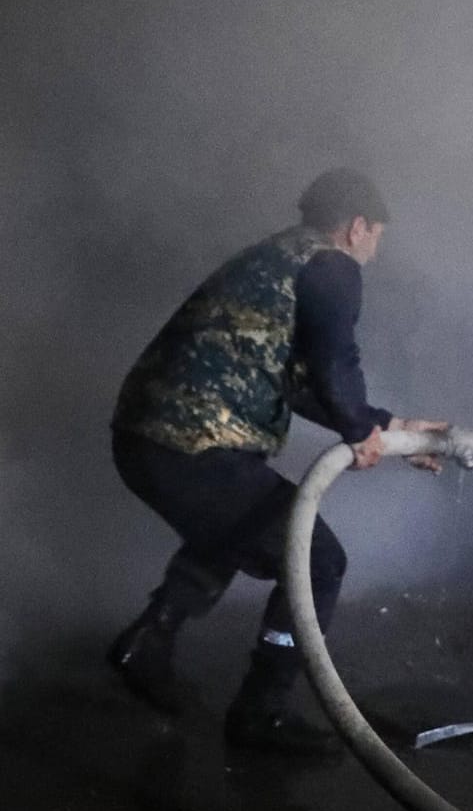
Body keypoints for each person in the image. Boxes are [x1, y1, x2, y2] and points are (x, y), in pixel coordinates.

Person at [108, 168, 444, 755]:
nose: (376, 250)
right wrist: (361, 428)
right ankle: (261, 712)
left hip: (146, 438)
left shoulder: (278, 260)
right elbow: (337, 366)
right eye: (377, 236)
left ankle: (149, 642)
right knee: (317, 560)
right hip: (193, 443)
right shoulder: (331, 265)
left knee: (236, 528)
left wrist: (387, 427)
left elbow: (298, 384)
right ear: (357, 227)